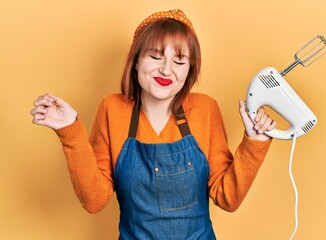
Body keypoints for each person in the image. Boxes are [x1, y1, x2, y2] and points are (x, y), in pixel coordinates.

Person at [30, 9, 277, 239]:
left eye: (179, 61)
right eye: (155, 56)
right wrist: (70, 131)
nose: (166, 70)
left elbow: (228, 198)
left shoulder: (205, 109)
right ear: (136, 61)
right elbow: (94, 201)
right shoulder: (112, 109)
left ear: (189, 69)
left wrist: (254, 143)